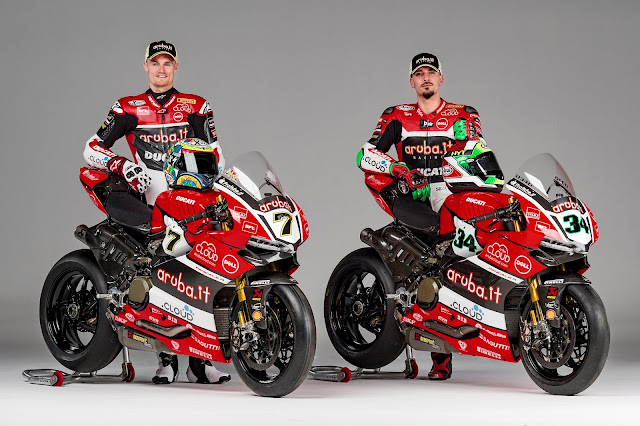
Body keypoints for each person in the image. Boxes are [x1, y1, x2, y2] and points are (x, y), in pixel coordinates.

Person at [83, 40, 230, 385]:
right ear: (145, 67)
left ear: (176, 67)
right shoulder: (128, 107)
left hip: (191, 197)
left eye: (167, 63)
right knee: (160, 274)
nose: (161, 69)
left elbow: (216, 153)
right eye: (155, 63)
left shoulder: (196, 105)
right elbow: (92, 148)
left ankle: (199, 363)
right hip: (150, 199)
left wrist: (212, 182)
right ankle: (166, 360)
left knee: (200, 274)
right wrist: (121, 165)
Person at [356, 52, 486, 380]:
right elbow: (365, 154)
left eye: (431, 72)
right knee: (435, 258)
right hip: (408, 194)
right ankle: (438, 353)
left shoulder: (464, 114)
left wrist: (466, 148)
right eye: (419, 73)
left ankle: (446, 341)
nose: (425, 77)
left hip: (449, 194)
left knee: (459, 255)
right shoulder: (397, 115)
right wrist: (398, 169)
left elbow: (480, 155)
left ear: (441, 79)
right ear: (411, 81)